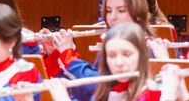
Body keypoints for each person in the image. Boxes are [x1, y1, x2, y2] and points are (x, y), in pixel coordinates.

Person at [43, 0, 169, 100]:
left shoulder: (147, 47)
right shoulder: (110, 41)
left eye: (121, 10)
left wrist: (68, 55)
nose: (113, 17)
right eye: (108, 11)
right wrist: (55, 55)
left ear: (138, 14)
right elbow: (86, 92)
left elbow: (96, 86)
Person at [44, 23, 188, 101]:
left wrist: (178, 94)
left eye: (126, 54)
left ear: (141, 56)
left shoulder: (154, 92)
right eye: (112, 55)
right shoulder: (101, 95)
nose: (119, 62)